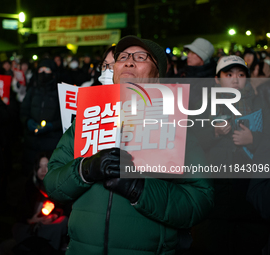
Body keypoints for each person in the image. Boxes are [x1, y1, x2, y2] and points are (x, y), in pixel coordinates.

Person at [43, 35, 214, 255]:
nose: (129, 62)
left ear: (158, 73)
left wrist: (140, 188)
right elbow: (52, 182)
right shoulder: (88, 119)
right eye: (122, 57)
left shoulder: (176, 122)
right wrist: (84, 169)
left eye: (140, 57)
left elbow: (200, 199)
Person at [190, 55, 270, 254]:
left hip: (247, 195)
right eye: (229, 74)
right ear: (217, 79)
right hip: (214, 192)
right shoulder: (203, 104)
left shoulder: (259, 103)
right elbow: (189, 139)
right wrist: (213, 132)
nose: (235, 79)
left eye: (241, 74)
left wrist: (254, 140)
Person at [12, 153, 69, 253]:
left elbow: (64, 207)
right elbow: (21, 210)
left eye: (46, 166)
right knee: (17, 228)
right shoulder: (30, 186)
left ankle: (47, 247)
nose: (43, 170)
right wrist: (31, 220)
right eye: (40, 167)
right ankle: (36, 245)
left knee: (63, 221)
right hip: (31, 225)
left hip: (48, 225)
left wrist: (54, 216)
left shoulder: (57, 185)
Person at [20, 58, 63, 175]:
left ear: (53, 73)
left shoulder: (61, 92)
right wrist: (27, 121)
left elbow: (66, 119)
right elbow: (23, 111)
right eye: (41, 69)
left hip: (52, 143)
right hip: (32, 142)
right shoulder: (32, 91)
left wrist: (51, 126)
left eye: (47, 70)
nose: (43, 73)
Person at [178, 37, 217, 110]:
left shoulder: (211, 82)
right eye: (188, 52)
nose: (188, 56)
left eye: (193, 53)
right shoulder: (183, 73)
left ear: (203, 57)